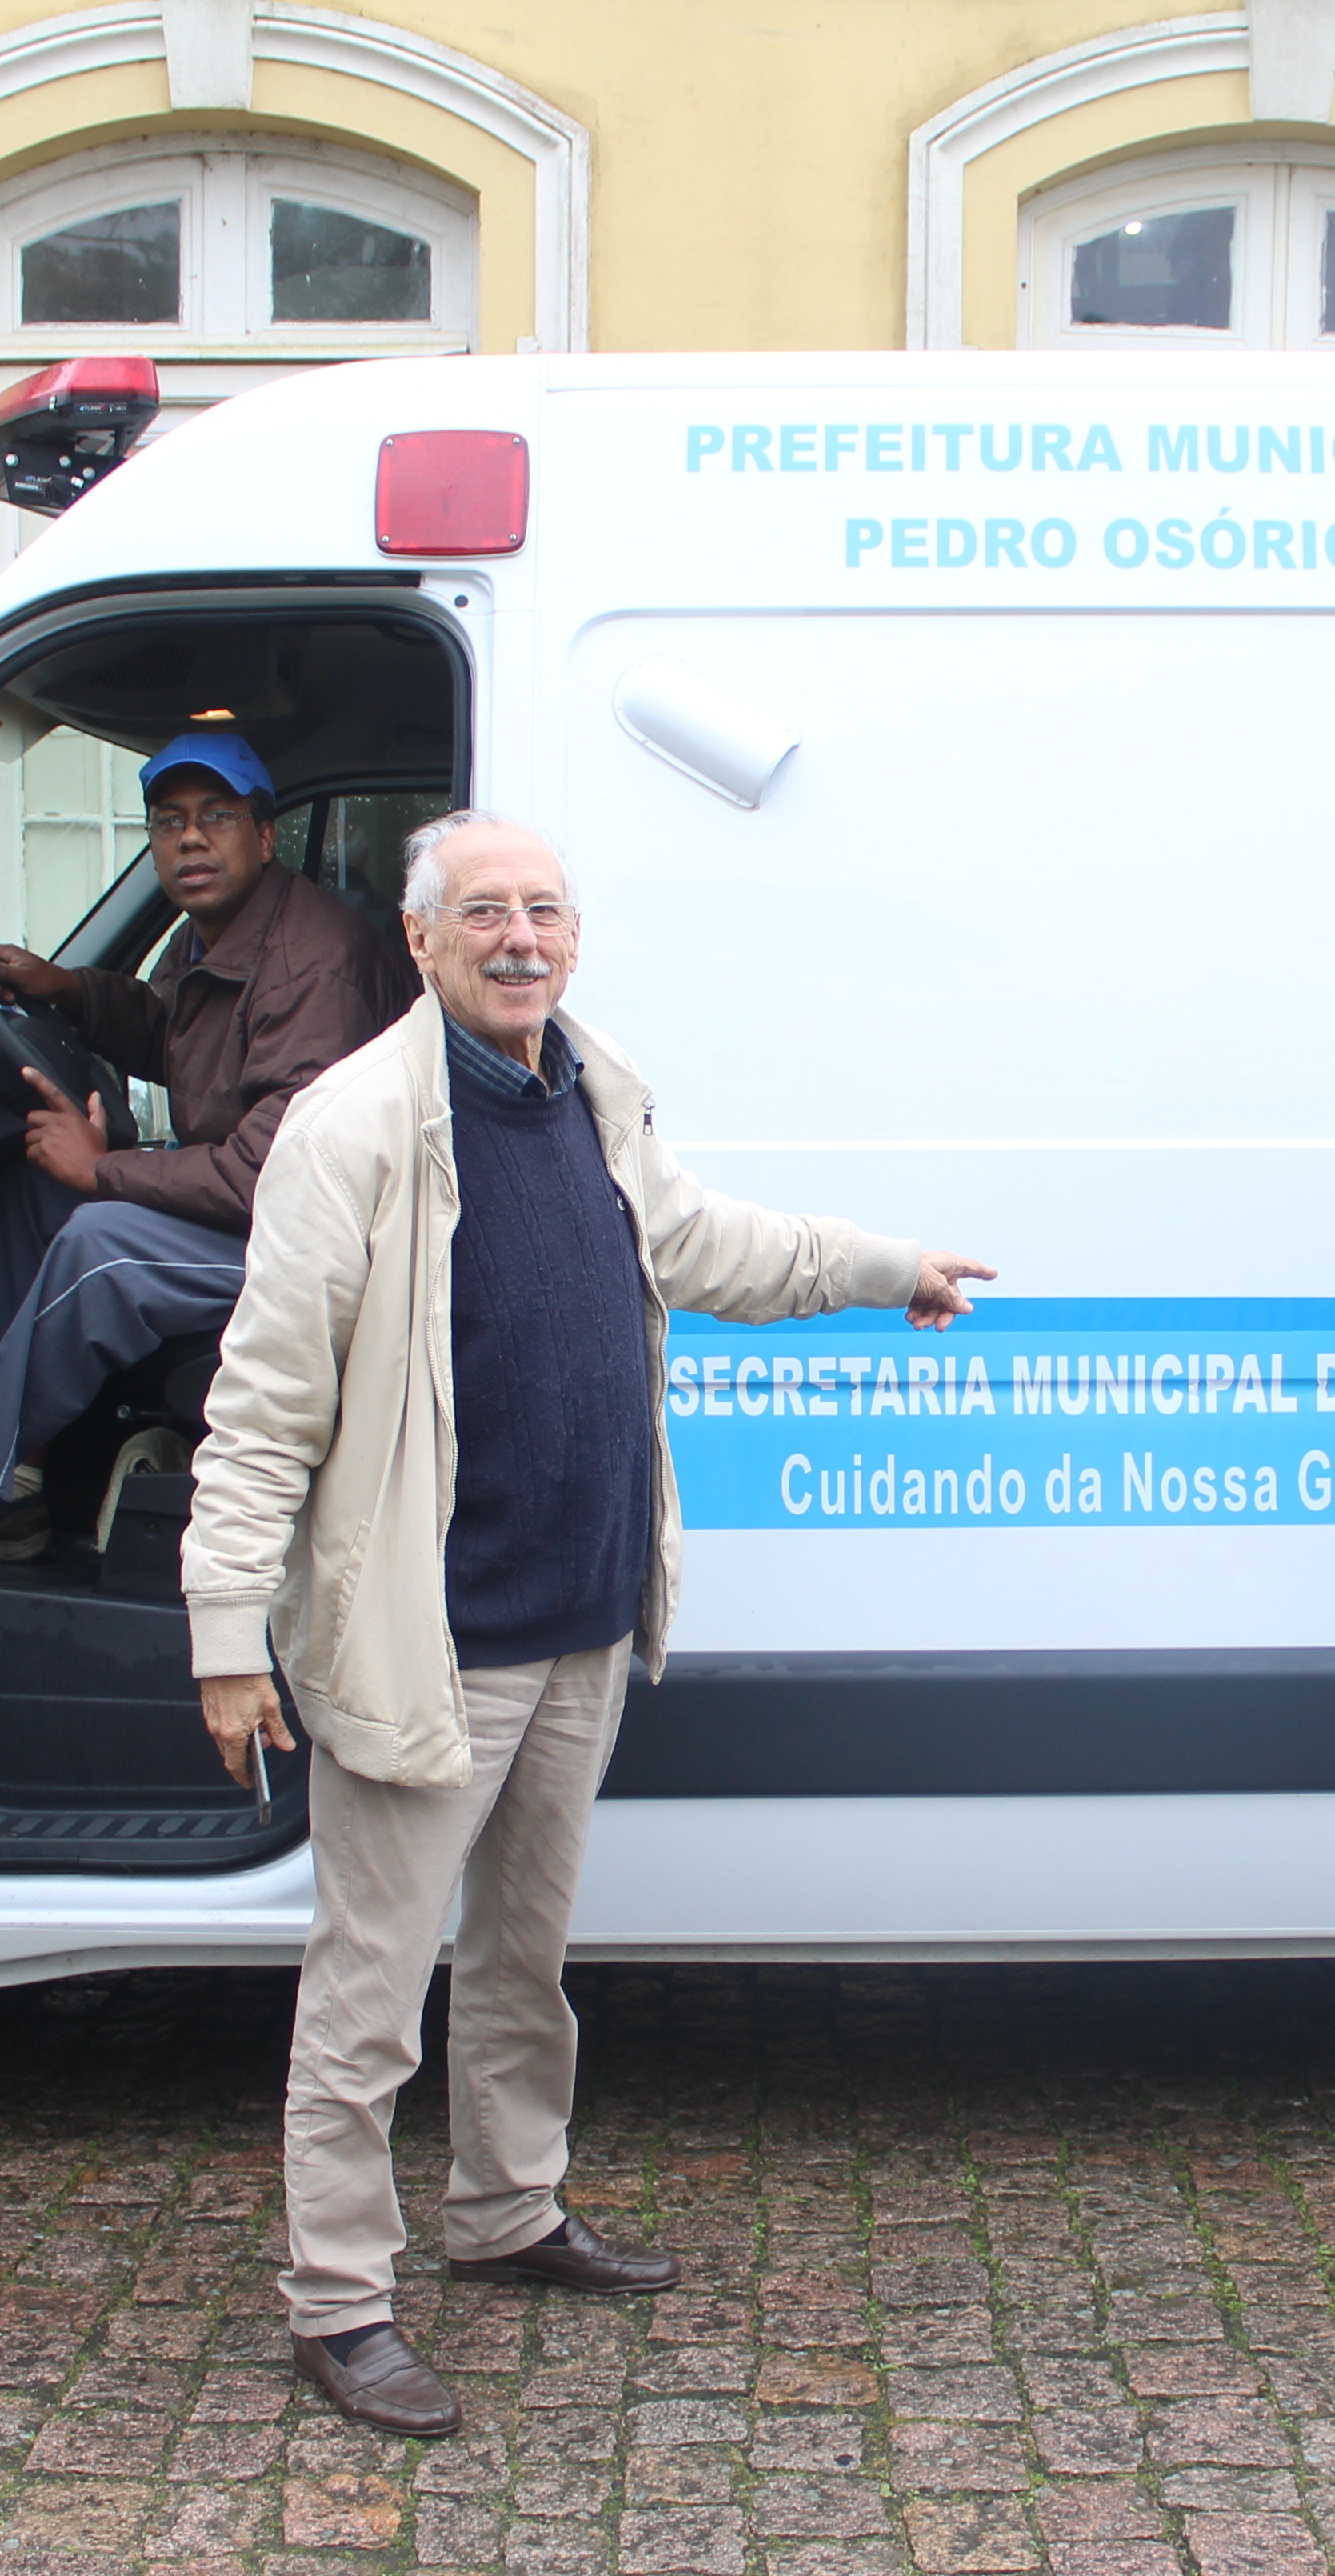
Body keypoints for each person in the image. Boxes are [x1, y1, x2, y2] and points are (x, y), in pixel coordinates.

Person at [184, 809, 993, 2440]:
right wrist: (222, 1626)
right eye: (482, 912)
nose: (519, 938)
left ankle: (506, 2213)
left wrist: (876, 1262)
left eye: (544, 910)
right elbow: (263, 1398)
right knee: (368, 1988)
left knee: (522, 1958)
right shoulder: (355, 1131)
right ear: (417, 942)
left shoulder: (591, 1087)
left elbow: (703, 1245)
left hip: (580, 1627)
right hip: (436, 1639)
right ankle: (339, 2303)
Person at [0, 730, 395, 1568]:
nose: (189, 838)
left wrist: (104, 1167)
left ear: (265, 838)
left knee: (101, 1242)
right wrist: (69, 992)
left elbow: (274, 1172)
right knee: (37, 1197)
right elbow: (173, 1032)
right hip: (261, 1218)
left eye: (216, 817)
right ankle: (2, 1480)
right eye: (168, 822)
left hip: (325, 1253)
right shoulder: (216, 936)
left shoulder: (316, 966)